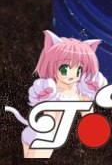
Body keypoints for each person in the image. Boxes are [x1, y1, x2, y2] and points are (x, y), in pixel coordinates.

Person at [5, 30, 106, 158]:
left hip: (49, 135)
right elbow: (48, 115)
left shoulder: (81, 92)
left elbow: (89, 118)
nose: (72, 75)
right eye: (65, 69)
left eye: (78, 69)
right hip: (44, 135)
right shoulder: (50, 89)